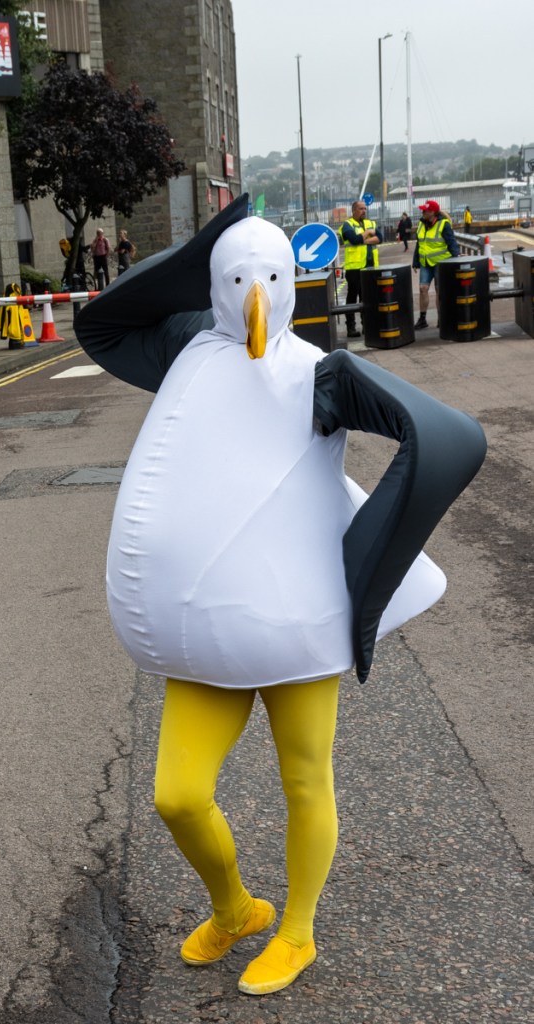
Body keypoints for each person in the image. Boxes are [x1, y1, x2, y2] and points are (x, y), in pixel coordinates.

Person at [74, 197, 486, 997]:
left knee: (304, 779)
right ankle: (236, 909)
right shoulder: (188, 346)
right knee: (177, 796)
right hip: (204, 632)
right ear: (216, 287)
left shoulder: (321, 374)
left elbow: (447, 436)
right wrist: (206, 248)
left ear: (292, 282)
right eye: (237, 279)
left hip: (296, 624)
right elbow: (105, 324)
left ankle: (296, 932)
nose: (254, 295)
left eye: (269, 278)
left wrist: (377, 551)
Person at [412, 200, 460, 330]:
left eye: (425, 210)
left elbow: (452, 242)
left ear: (432, 212)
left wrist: (456, 259)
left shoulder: (443, 224)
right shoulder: (421, 224)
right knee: (423, 289)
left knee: (440, 291)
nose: (422, 212)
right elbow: (419, 244)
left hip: (441, 263)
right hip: (426, 263)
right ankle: (422, 319)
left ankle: (441, 318)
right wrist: (415, 261)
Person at [338, 200, 381, 338]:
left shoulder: (370, 223)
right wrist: (368, 233)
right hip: (354, 268)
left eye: (365, 208)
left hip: (370, 266)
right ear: (354, 210)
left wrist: (365, 239)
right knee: (352, 297)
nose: (364, 211)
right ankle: (351, 327)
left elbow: (380, 238)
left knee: (367, 297)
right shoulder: (347, 225)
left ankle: (366, 326)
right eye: (361, 209)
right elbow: (355, 240)